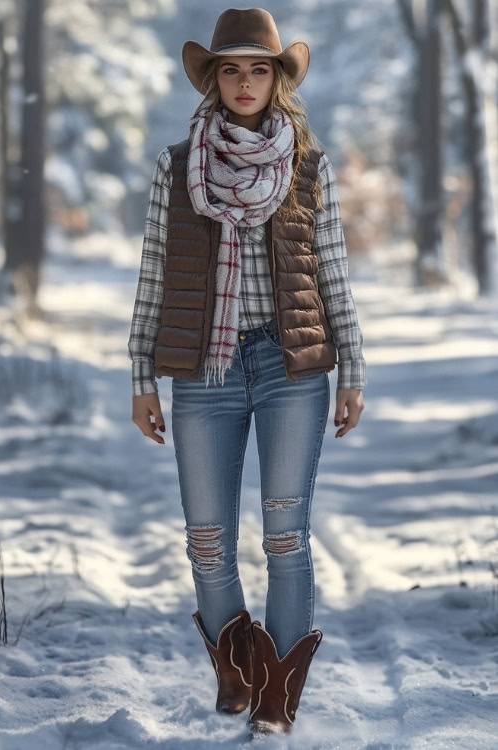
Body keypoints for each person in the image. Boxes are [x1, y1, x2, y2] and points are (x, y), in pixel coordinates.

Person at [128, 7, 367, 738]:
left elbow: (332, 271)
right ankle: (235, 664)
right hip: (204, 369)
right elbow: (154, 276)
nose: (244, 82)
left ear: (278, 79)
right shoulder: (177, 168)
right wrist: (142, 374)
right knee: (207, 538)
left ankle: (277, 694)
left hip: (291, 365)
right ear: (213, 80)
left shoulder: (307, 164)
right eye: (230, 69)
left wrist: (352, 364)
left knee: (286, 536)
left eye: (258, 68)